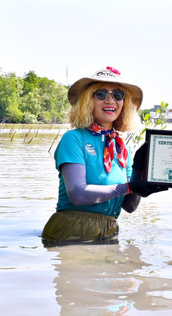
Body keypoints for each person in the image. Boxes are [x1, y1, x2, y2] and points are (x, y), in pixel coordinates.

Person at [42, 66, 154, 245]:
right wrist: (127, 187)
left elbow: (130, 206)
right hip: (72, 229)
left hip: (109, 230)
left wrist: (140, 171)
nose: (110, 100)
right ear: (88, 101)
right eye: (101, 94)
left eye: (118, 95)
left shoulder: (122, 147)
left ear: (124, 103)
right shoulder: (74, 138)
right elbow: (78, 195)